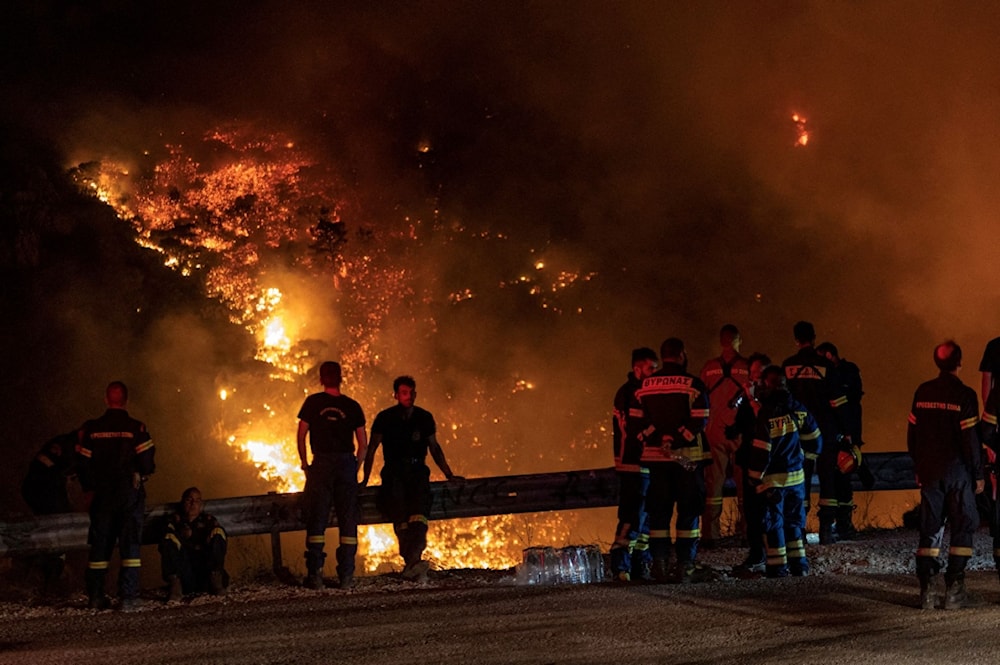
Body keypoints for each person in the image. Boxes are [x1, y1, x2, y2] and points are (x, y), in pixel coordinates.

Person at [362, 376, 463, 582]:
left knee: (419, 518)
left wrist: (449, 474)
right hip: (394, 474)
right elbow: (371, 449)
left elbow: (434, 448)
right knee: (401, 520)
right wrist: (363, 479)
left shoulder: (424, 418)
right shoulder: (385, 418)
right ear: (396, 395)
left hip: (417, 473)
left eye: (412, 393)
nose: (409, 397)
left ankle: (413, 563)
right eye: (405, 393)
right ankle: (413, 563)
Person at [907, 341, 983, 610]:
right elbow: (970, 440)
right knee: (962, 526)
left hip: (929, 471)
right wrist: (978, 473)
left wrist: (920, 466)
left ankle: (927, 591)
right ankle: (954, 590)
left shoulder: (922, 391)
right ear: (959, 362)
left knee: (930, 528)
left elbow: (912, 436)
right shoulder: (965, 395)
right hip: (958, 472)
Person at [635, 338, 711, 583]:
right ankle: (685, 566)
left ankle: (659, 564)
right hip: (685, 460)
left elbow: (636, 422)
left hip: (656, 461)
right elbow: (701, 419)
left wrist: (659, 438)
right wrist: (677, 439)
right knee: (688, 513)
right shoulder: (693, 384)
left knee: (659, 514)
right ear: (681, 355)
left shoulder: (643, 386)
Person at [76, 381, 155, 611]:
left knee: (100, 544)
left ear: (105, 400)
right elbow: (148, 462)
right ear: (126, 400)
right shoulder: (135, 428)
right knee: (130, 543)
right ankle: (128, 597)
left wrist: (89, 489)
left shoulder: (92, 428)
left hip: (101, 494)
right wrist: (140, 472)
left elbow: (82, 463)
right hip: (128, 491)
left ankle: (96, 596)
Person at [296, 360, 368, 590]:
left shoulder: (312, 402)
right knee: (348, 520)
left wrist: (305, 463)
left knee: (317, 518)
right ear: (341, 378)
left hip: (321, 464)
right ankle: (346, 576)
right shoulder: (353, 406)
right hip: (346, 464)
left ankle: (315, 575)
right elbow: (363, 444)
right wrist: (354, 468)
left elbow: (301, 435)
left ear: (321, 379)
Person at [746, 366, 823, 578]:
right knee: (794, 524)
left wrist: (753, 477)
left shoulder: (767, 413)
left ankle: (777, 568)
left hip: (773, 482)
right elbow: (815, 441)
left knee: (774, 524)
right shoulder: (798, 408)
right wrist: (801, 459)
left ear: (768, 385)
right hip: (796, 479)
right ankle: (799, 566)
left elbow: (762, 451)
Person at [781, 321, 850, 544]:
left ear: (796, 339)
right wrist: (846, 430)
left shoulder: (787, 366)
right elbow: (838, 402)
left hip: (798, 434)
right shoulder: (826, 366)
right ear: (814, 337)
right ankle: (826, 531)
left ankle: (797, 529)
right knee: (828, 481)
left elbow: (783, 401)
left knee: (800, 481)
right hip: (825, 432)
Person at [699, 324, 750, 548]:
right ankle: (748, 531)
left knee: (713, 486)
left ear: (721, 342)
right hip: (740, 433)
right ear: (738, 340)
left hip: (714, 433)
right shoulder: (748, 366)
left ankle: (710, 535)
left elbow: (700, 398)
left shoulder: (709, 368)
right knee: (745, 484)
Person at [610, 347, 659, 582]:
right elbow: (633, 431)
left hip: (649, 463)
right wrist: (658, 428)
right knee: (632, 516)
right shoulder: (629, 393)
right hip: (632, 464)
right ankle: (621, 567)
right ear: (637, 368)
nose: (654, 373)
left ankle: (640, 566)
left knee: (647, 517)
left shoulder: (646, 391)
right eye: (651, 368)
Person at [816, 341, 867, 537]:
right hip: (834, 433)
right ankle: (839, 524)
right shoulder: (831, 374)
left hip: (846, 433)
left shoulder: (847, 372)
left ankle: (844, 524)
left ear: (829, 355)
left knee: (844, 479)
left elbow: (851, 404)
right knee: (834, 479)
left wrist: (850, 434)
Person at [21, 430, 78, 594]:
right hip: (43, 492)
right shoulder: (67, 445)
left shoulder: (67, 444)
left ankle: (46, 578)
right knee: (55, 535)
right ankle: (46, 579)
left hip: (44, 492)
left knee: (53, 535)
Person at [730, 352, 771, 575]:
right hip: (749, 458)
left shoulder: (773, 397)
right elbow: (743, 422)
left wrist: (753, 398)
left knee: (766, 510)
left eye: (757, 373)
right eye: (751, 373)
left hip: (767, 463)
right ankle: (757, 553)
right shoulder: (747, 397)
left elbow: (763, 420)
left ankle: (771, 556)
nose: (753, 377)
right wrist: (734, 429)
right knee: (751, 510)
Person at [160, 487, 228, 601]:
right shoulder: (174, 521)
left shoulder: (208, 520)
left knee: (219, 532)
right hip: (185, 572)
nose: (193, 504)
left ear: (201, 504)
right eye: (189, 500)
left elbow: (218, 540)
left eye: (197, 501)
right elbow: (166, 540)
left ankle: (216, 580)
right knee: (168, 537)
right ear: (182, 502)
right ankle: (175, 586)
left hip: (205, 570)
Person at [978, 335, 1000, 404]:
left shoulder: (994, 345)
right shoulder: (993, 345)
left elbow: (986, 379)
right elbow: (986, 379)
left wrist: (987, 408)